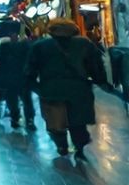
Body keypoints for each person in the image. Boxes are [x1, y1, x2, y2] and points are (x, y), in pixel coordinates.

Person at [27, 18, 107, 159]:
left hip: (52, 91)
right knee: (78, 122)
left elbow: (30, 72)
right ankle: (80, 148)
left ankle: (61, 145)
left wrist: (38, 88)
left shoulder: (40, 46)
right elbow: (96, 67)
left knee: (55, 123)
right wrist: (100, 81)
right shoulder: (84, 44)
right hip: (79, 90)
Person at [0, 20, 36, 129]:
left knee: (12, 99)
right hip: (23, 77)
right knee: (26, 99)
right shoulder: (26, 44)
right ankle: (29, 120)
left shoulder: (0, 43)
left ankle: (15, 118)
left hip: (8, 77)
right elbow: (32, 60)